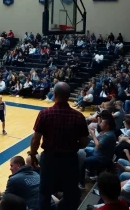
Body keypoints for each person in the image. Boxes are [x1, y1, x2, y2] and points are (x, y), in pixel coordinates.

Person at [29, 82, 89, 210]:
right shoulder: (79, 116)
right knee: (70, 194)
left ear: (54, 95)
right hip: (70, 160)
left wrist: (33, 154)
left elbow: (35, 140)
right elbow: (84, 142)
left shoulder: (44, 114)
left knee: (44, 194)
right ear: (69, 96)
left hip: (49, 159)